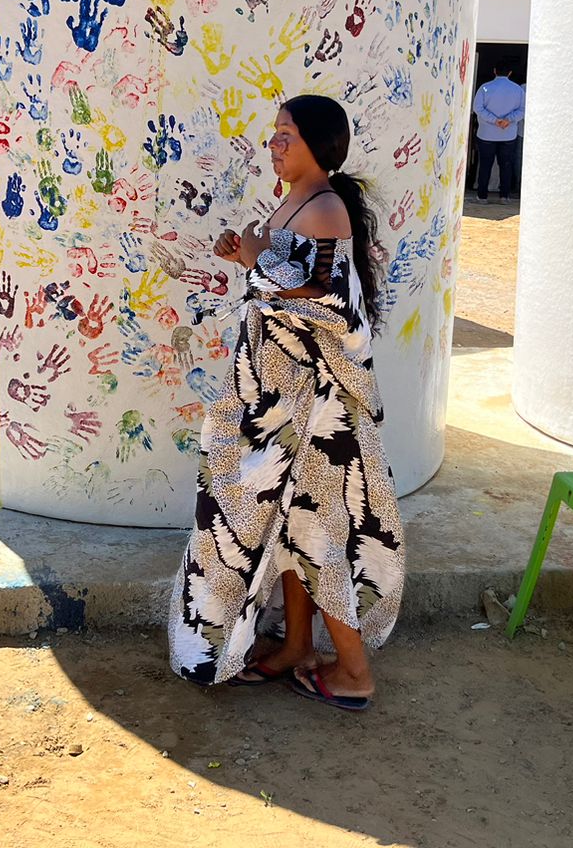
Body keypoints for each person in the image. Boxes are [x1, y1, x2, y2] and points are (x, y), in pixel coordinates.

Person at [168, 94, 405, 711]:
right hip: (280, 402)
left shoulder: (325, 207)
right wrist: (244, 253)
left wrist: (252, 256)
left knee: (322, 535)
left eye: (286, 136)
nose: (274, 144)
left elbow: (320, 294)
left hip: (314, 410)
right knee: (296, 530)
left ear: (318, 146)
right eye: (273, 134)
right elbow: (283, 279)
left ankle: (354, 674)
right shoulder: (297, 198)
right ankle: (298, 645)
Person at [471, 63, 524, 202]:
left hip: (486, 133)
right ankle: (504, 196)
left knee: (485, 165)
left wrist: (494, 120)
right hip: (508, 133)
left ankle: (482, 196)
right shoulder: (518, 90)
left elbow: (478, 108)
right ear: (510, 73)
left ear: (494, 71)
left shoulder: (485, 88)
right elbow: (522, 110)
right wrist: (508, 120)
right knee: (506, 165)